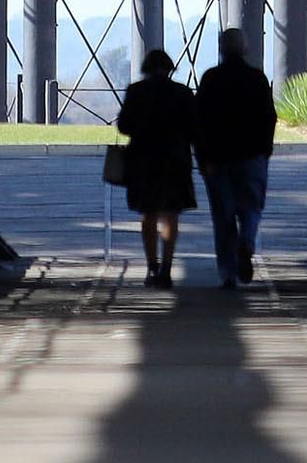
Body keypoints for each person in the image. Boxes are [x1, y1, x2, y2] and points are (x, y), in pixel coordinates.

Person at [193, 28, 277, 290]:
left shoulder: (210, 79)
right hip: (252, 155)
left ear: (220, 49)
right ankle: (248, 241)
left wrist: (202, 157)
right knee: (252, 207)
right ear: (245, 49)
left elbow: (199, 122)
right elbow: (269, 117)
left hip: (218, 159)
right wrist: (266, 148)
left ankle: (228, 274)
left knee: (223, 215)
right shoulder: (257, 79)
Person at [115, 49, 197, 289]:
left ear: (146, 68)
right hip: (176, 161)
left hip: (144, 162)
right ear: (170, 69)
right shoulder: (183, 93)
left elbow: (124, 126)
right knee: (171, 215)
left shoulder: (136, 91)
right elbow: (195, 129)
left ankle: (152, 267)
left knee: (148, 213)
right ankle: (167, 268)